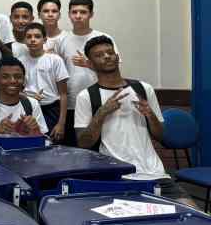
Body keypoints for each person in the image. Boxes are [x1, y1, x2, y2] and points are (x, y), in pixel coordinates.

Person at [75, 36, 193, 204]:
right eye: (100, 55)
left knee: (195, 215)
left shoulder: (144, 89)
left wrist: (149, 114)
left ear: (117, 57)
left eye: (110, 52)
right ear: (91, 64)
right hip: (116, 177)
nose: (107, 56)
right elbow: (83, 143)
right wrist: (101, 113)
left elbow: (161, 135)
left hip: (155, 174)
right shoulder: (86, 96)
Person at [54, 0, 117, 146]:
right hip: (71, 104)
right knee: (73, 149)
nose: (78, 16)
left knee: (99, 147)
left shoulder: (103, 38)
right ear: (69, 14)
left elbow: (114, 69)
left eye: (83, 12)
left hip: (100, 102)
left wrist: (89, 64)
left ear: (91, 14)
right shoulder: (62, 40)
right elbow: (57, 74)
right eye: (74, 12)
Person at [0, 56, 48, 143]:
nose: (12, 81)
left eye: (17, 76)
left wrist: (35, 129)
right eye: (5, 77)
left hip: (27, 155)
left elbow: (45, 141)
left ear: (23, 79)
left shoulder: (32, 104)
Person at [19, 23, 68, 142]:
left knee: (49, 145)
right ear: (24, 40)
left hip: (51, 109)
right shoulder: (20, 61)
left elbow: (63, 94)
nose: (33, 40)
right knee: (28, 144)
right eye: (29, 36)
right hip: (27, 108)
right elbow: (16, 91)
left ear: (44, 39)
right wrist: (28, 96)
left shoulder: (55, 60)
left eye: (37, 36)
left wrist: (61, 123)